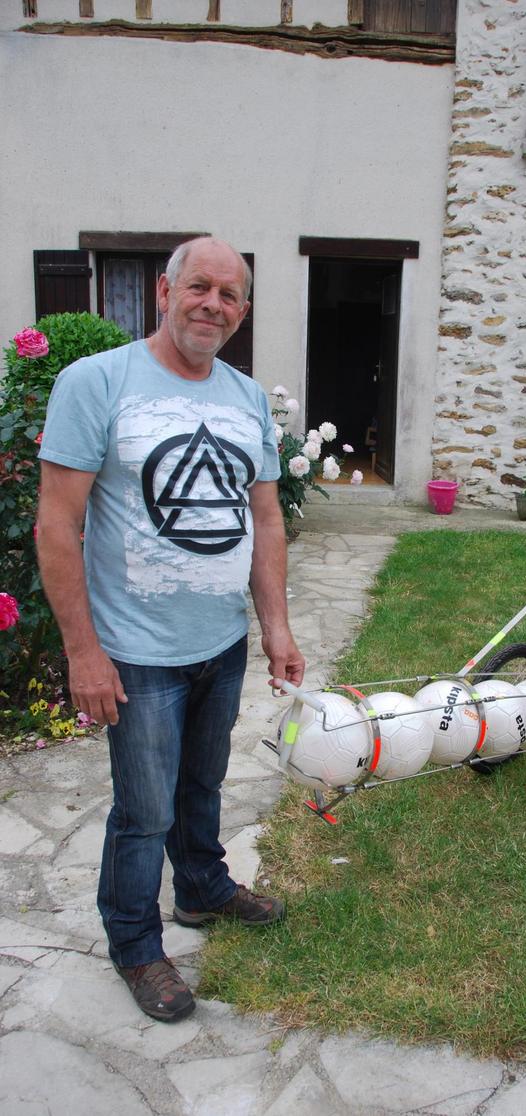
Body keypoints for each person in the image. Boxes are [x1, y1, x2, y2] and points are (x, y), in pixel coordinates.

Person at [36, 237, 305, 1023]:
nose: (212, 305)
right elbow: (57, 524)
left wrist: (276, 628)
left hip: (220, 642)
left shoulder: (245, 397)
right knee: (143, 811)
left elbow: (264, 517)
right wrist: (83, 652)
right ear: (163, 291)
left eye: (229, 294)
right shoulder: (96, 382)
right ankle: (133, 942)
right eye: (198, 287)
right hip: (136, 651)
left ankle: (201, 887)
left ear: (242, 311)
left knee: (202, 785)